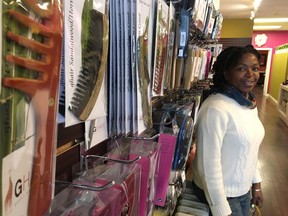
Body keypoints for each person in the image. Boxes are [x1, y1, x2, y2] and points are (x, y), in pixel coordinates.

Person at [192, 45, 265, 216]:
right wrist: (221, 209)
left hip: (243, 191)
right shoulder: (216, 108)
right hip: (221, 195)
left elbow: (250, 148)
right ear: (226, 74)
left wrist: (256, 184)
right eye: (241, 68)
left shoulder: (247, 104)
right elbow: (208, 165)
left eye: (255, 68)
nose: (250, 74)